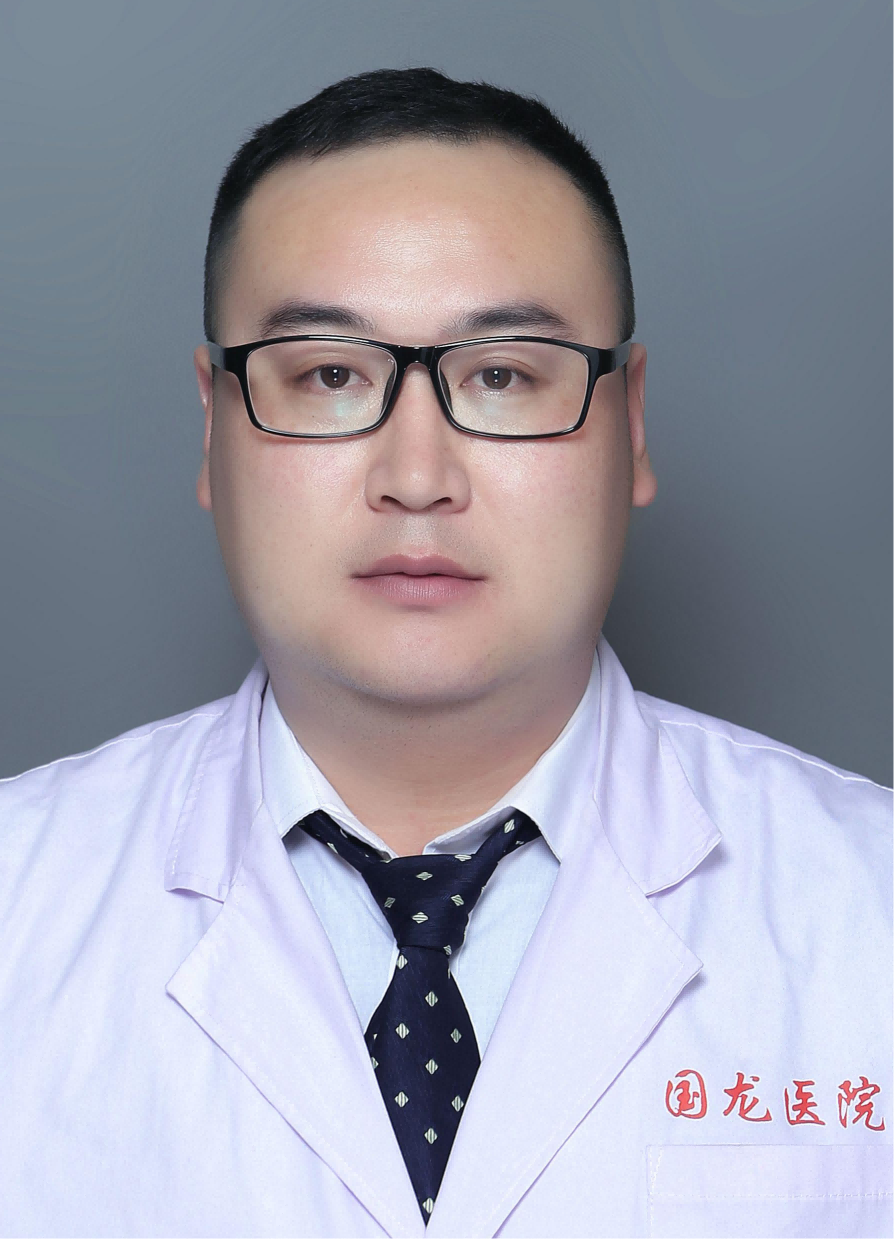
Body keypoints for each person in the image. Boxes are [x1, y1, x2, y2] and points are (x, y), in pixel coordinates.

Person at [0, 67, 891, 1239]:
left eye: (503, 376)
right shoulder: (19, 906)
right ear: (211, 426)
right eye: (328, 376)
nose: (415, 476)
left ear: (629, 424)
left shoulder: (865, 914)